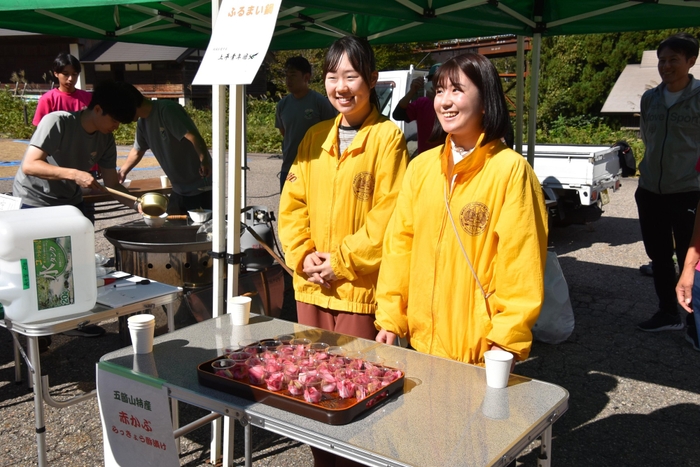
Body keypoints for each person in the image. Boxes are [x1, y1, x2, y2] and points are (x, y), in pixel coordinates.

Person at [278, 36, 408, 467]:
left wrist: (342, 260)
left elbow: (387, 216)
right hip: (311, 288)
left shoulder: (388, 139)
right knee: (312, 385)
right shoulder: (315, 136)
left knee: (357, 391)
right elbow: (292, 204)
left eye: (351, 76)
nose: (341, 86)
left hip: (357, 288)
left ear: (371, 80)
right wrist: (302, 255)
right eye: (333, 76)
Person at [374, 53, 549, 366]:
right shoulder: (421, 168)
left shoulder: (510, 171)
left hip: (480, 351)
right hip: (421, 343)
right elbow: (399, 247)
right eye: (440, 91)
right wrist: (390, 316)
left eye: (457, 90)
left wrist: (505, 339)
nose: (445, 101)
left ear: (485, 101)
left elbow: (521, 263)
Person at [12, 80, 135, 338]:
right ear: (98, 109)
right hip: (35, 200)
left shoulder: (106, 139)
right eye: (115, 120)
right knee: (43, 268)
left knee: (74, 265)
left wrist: (140, 205)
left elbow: (112, 184)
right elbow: (30, 165)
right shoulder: (58, 121)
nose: (116, 127)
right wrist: (74, 174)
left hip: (68, 203)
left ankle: (72, 321)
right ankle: (38, 328)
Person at [636, 32, 700, 333]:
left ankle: (693, 320)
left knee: (692, 259)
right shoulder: (650, 98)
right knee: (659, 256)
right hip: (651, 190)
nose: (666, 66)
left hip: (688, 191)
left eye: (673, 59)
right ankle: (667, 312)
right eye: (662, 60)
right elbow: (647, 138)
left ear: (691, 61)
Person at [118, 84, 213, 215]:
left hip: (200, 185)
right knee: (172, 226)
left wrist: (204, 160)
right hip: (178, 187)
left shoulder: (167, 110)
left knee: (200, 230)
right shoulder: (142, 123)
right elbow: (137, 150)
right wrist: (122, 171)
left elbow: (194, 136)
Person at [275, 56, 337, 192]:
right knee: (288, 209)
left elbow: (332, 133)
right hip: (289, 166)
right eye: (286, 76)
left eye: (293, 75)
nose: (288, 80)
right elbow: (285, 133)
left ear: (306, 77)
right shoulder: (282, 105)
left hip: (316, 166)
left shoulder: (320, 102)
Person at [392, 62, 443, 158]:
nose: (435, 84)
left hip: (447, 158)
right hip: (425, 159)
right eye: (432, 80)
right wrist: (412, 91)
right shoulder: (422, 103)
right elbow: (398, 114)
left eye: (440, 80)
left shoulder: (453, 104)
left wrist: (439, 102)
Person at [32, 52, 92, 126]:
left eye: (74, 74)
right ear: (56, 74)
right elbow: (41, 129)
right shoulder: (47, 99)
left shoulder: (88, 98)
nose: (70, 78)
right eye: (66, 74)